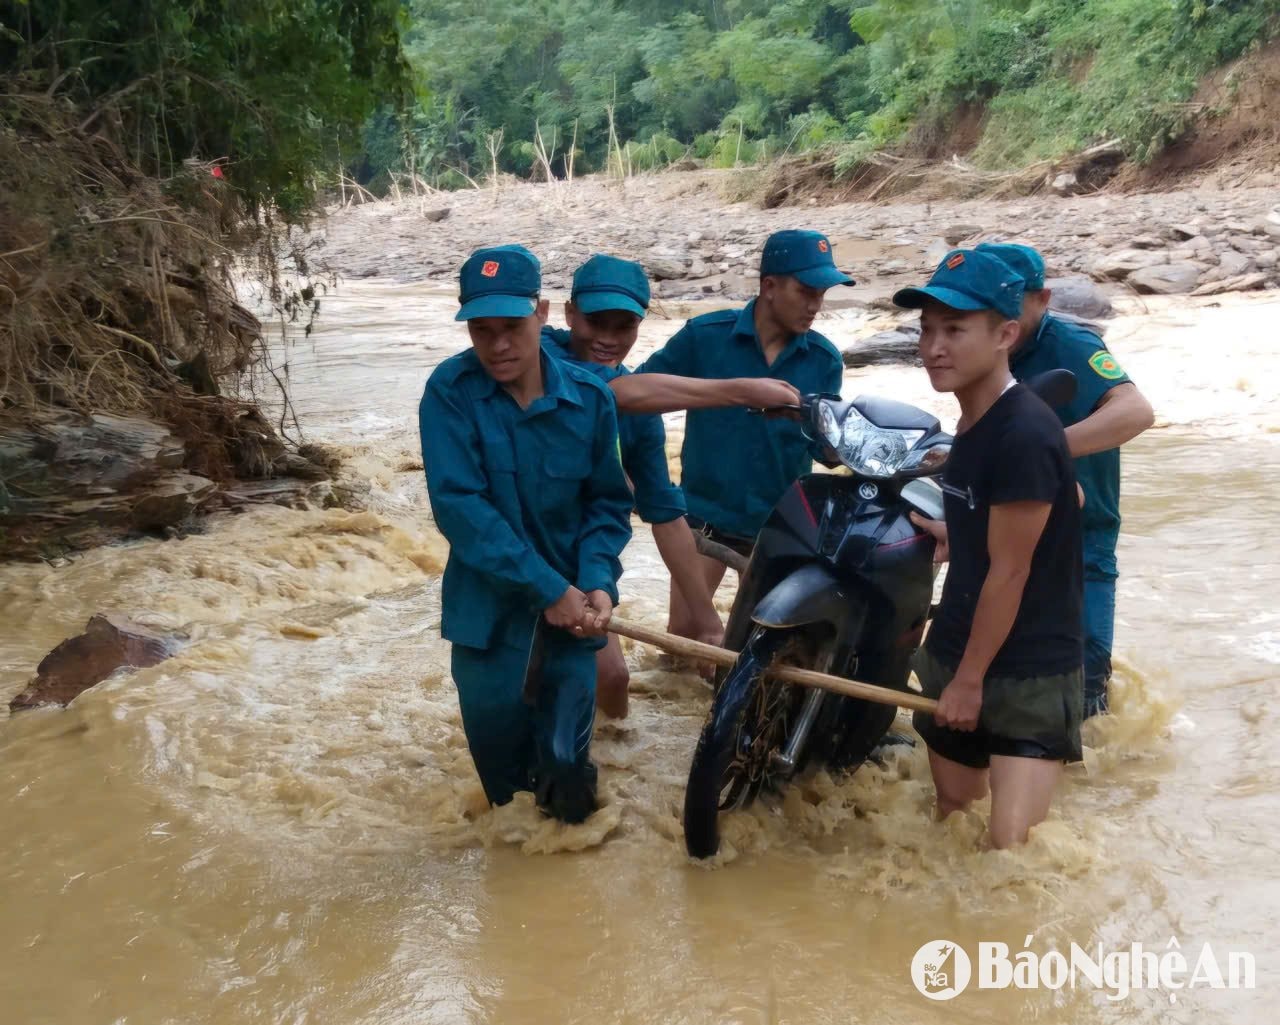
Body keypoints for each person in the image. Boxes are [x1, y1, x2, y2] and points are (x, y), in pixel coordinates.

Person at [419, 244, 633, 823]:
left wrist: (596, 581)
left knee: (564, 769)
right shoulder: (449, 394)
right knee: (506, 795)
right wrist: (547, 590)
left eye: (512, 326)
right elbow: (462, 510)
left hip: (572, 620)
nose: (498, 345)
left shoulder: (590, 400)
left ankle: (576, 879)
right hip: (487, 619)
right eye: (481, 331)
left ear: (541, 312)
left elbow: (608, 506)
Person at [895, 249, 1084, 849]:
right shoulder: (972, 422)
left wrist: (971, 683)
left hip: (1029, 666)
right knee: (952, 812)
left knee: (1011, 850)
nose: (933, 347)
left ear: (1006, 334)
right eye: (926, 330)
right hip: (958, 642)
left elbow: (1010, 571)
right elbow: (1066, 499)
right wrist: (964, 533)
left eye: (954, 330)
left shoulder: (1025, 431)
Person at [610, 229, 852, 630]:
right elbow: (630, 397)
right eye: (807, 290)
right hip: (704, 522)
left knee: (761, 648)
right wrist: (635, 482)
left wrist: (828, 434)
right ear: (769, 286)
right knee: (684, 645)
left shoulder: (824, 360)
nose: (816, 305)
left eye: (822, 294)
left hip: (779, 529)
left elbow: (825, 454)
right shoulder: (704, 338)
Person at [976, 242, 1154, 717]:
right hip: (1010, 526)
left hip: (1082, 534)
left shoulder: (1071, 345)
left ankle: (1092, 777)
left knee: (1085, 672)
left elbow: (1135, 411)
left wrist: (1047, 447)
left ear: (1042, 299)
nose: (999, 315)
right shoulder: (981, 348)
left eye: (1011, 302)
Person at [541, 254, 724, 717]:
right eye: (594, 322)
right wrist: (739, 391)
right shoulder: (536, 354)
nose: (607, 338)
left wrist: (707, 624)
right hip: (519, 547)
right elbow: (599, 390)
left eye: (623, 326)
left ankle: (614, 771)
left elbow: (664, 513)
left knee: (614, 680)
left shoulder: (642, 416)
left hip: (586, 556)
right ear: (568, 314)